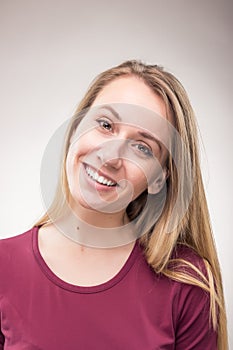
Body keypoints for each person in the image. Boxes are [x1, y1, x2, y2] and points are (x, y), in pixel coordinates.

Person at [0, 60, 228, 349]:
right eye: (105, 125)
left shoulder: (187, 283)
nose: (110, 157)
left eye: (142, 147)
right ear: (75, 129)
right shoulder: (3, 267)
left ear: (159, 177)